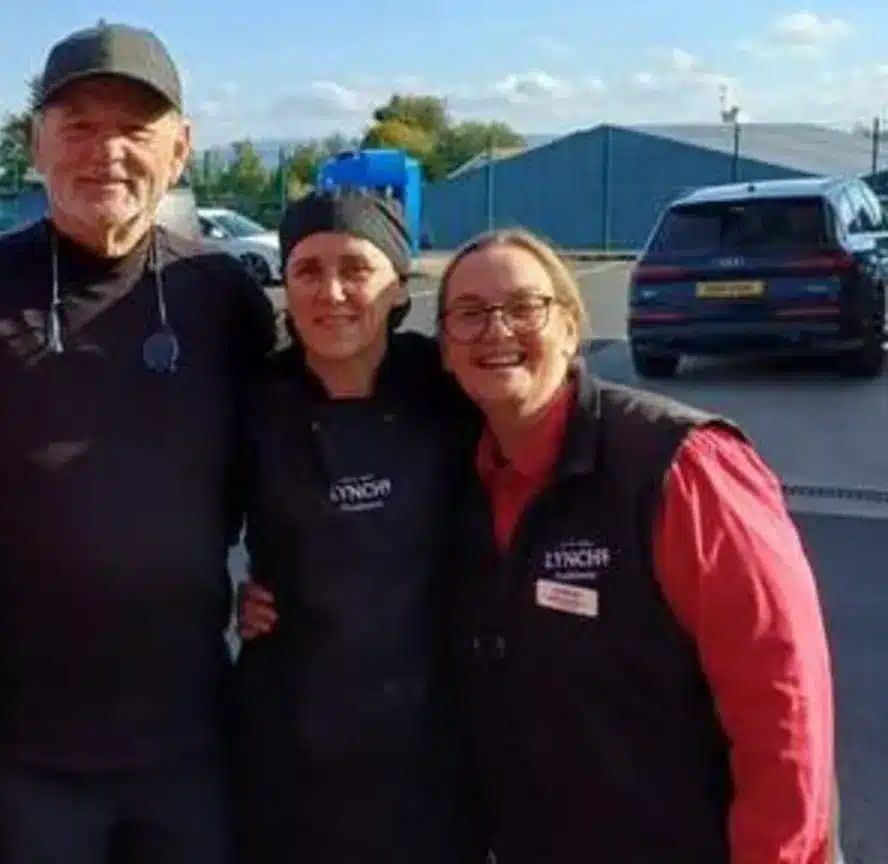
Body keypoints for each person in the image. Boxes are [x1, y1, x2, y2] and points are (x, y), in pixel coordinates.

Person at [0, 21, 277, 864]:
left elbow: (306, 441)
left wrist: (301, 575)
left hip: (192, 745)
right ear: (36, 145)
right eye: (80, 126)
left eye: (134, 129)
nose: (107, 152)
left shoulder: (225, 299)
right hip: (21, 754)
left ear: (181, 149)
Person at [434, 229, 837, 863]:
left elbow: (783, 699)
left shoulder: (680, 465)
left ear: (571, 328)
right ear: (444, 348)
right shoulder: (462, 483)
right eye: (469, 312)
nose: (496, 330)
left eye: (524, 307)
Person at [230, 190, 484, 863]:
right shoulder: (251, 401)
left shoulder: (451, 387)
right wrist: (222, 596)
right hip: (293, 726)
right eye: (308, 271)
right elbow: (181, 524)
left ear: (398, 285)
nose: (332, 292)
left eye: (356, 269)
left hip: (434, 729)